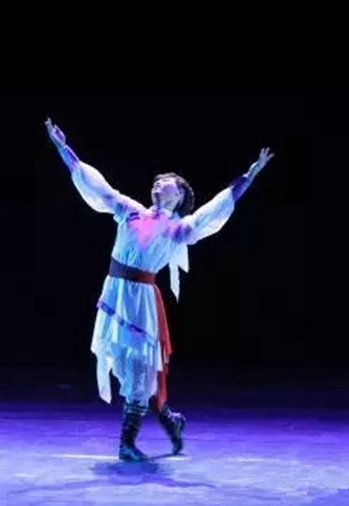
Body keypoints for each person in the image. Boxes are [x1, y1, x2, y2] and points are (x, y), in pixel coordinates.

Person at [44, 117, 274, 462]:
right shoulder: (130, 212)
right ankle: (170, 421)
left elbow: (217, 208)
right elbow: (94, 185)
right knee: (133, 371)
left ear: (179, 195)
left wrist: (249, 175)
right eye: (156, 182)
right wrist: (63, 148)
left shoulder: (179, 229)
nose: (157, 184)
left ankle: (126, 443)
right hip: (115, 294)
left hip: (140, 301)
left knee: (140, 370)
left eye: (165, 183)